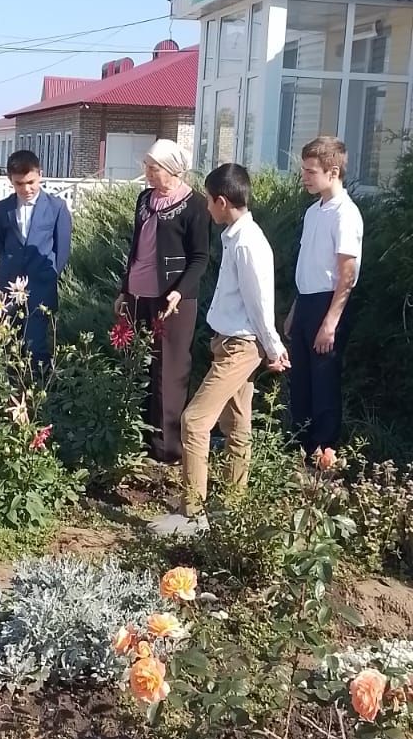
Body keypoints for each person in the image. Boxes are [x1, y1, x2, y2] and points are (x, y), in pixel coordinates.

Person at [178, 162, 289, 526]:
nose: (207, 208)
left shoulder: (248, 243)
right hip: (228, 344)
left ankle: (192, 515)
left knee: (194, 422)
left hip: (241, 347)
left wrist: (273, 349)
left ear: (222, 201)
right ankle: (233, 511)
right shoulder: (235, 237)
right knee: (237, 427)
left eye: (209, 202)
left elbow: (260, 304)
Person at [116, 139, 209, 462]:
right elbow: (137, 249)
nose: (148, 174)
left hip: (174, 299)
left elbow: (200, 257)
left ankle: (169, 450)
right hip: (140, 294)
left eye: (153, 169)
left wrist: (179, 290)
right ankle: (140, 440)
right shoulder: (144, 199)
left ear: (171, 169)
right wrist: (124, 289)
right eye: (147, 167)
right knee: (141, 366)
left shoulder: (196, 205)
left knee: (169, 370)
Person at [286, 135, 363, 457]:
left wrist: (330, 322)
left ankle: (325, 448)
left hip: (327, 304)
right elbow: (309, 265)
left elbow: (347, 272)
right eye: (304, 170)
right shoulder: (314, 211)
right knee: (301, 380)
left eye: (311, 171)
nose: (305, 177)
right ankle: (301, 447)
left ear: (333, 172)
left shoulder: (345, 213)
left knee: (324, 380)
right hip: (306, 301)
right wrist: (294, 310)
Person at [0, 149, 72, 369]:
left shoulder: (57, 208)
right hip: (7, 285)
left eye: (31, 182)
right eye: (19, 184)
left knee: (36, 345)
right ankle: (9, 391)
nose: (26, 189)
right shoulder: (1, 209)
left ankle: (39, 392)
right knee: (7, 342)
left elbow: (62, 249)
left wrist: (49, 275)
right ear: (10, 181)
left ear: (40, 175)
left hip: (41, 285)